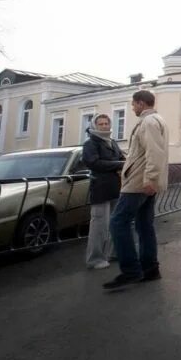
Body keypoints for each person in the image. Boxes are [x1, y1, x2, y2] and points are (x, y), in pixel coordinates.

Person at [104, 90, 169, 290]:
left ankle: (131, 270)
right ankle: (150, 268)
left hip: (138, 183)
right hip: (144, 181)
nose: (132, 108)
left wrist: (149, 179)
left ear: (141, 103)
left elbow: (154, 153)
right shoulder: (157, 120)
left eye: (133, 104)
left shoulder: (148, 122)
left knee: (117, 223)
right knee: (143, 225)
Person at [82, 113, 125, 270]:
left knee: (116, 223)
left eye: (106, 123)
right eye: (101, 124)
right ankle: (95, 259)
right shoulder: (90, 144)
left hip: (115, 187)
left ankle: (114, 253)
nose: (104, 126)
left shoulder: (112, 142)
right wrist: (118, 164)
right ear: (95, 126)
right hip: (100, 189)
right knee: (99, 225)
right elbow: (94, 163)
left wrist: (123, 163)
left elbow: (121, 158)